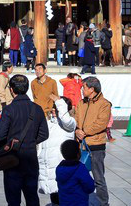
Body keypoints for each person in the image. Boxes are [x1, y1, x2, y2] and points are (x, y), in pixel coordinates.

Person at [0, 74, 49, 206]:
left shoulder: (9, 109)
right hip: (30, 158)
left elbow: (0, 135)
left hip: (12, 158)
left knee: (13, 199)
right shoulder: (37, 108)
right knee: (32, 196)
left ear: (11, 90)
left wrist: (8, 144)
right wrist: (31, 142)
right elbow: (44, 134)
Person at [75, 76, 111, 206]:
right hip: (80, 144)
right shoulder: (81, 103)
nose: (82, 90)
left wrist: (83, 131)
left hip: (96, 145)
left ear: (91, 89)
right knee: (78, 177)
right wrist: (77, 130)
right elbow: (76, 118)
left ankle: (103, 203)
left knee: (98, 178)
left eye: (84, 87)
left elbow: (101, 124)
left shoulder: (104, 104)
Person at [37, 96, 77, 205]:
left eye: (57, 108)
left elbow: (65, 119)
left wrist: (59, 102)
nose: (54, 110)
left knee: (64, 197)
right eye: (54, 107)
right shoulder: (49, 123)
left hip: (62, 167)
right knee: (54, 197)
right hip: (49, 167)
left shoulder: (70, 124)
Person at [56, 140, 95, 206]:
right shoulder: (80, 168)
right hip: (79, 203)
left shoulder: (59, 168)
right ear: (78, 154)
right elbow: (90, 187)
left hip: (64, 202)